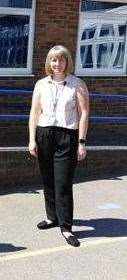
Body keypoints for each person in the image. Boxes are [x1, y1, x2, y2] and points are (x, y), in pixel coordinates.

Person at [28, 45, 89, 247]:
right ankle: (52, 217)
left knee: (63, 183)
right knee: (47, 180)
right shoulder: (41, 84)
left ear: (67, 62)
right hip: (44, 134)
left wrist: (81, 142)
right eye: (54, 60)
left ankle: (66, 227)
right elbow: (34, 113)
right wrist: (31, 139)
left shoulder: (77, 84)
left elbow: (84, 114)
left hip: (67, 136)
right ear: (49, 62)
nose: (57, 64)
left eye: (61, 60)